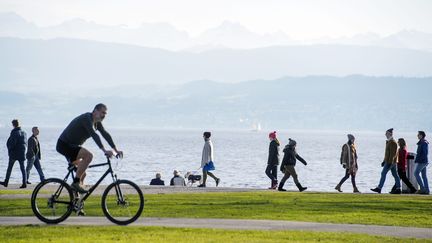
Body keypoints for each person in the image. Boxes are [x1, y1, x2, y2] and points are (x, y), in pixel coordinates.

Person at [56, 103, 123, 193]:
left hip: (72, 146)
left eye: (105, 114)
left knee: (82, 174)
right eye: (102, 112)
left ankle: (76, 202)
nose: (103, 115)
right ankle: (75, 184)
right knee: (89, 156)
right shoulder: (87, 118)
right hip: (65, 145)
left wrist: (116, 150)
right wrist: (104, 150)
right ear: (95, 111)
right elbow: (94, 134)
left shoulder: (97, 123)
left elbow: (105, 134)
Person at [371, 128, 401, 194]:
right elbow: (387, 153)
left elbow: (393, 154)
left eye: (386, 133)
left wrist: (389, 163)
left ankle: (379, 188)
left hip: (390, 162)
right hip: (390, 161)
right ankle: (398, 188)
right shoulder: (389, 142)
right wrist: (384, 161)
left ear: (390, 134)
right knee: (395, 175)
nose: (385, 134)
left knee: (383, 173)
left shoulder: (393, 142)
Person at [0, 119, 28, 188]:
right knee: (23, 169)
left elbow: (12, 143)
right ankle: (24, 183)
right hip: (22, 153)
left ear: (13, 125)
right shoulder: (24, 132)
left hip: (14, 154)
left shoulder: (14, 133)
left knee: (9, 168)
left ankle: (6, 182)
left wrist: (9, 149)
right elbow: (26, 143)